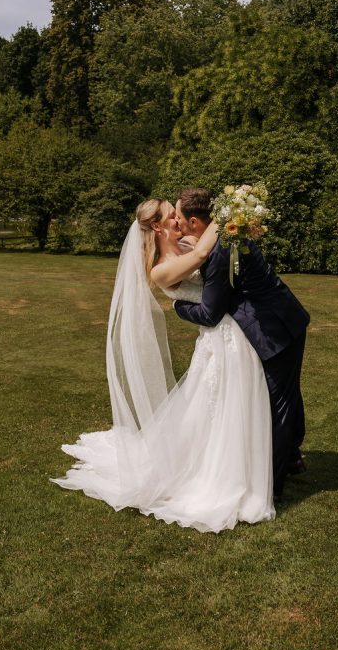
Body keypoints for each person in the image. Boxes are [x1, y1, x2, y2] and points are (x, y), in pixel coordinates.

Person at [51, 198, 275, 533]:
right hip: (218, 338)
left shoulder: (184, 243)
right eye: (173, 216)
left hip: (229, 334)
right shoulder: (159, 268)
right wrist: (226, 217)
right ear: (157, 226)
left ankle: (239, 468)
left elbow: (211, 261)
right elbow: (201, 258)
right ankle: (221, 476)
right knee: (221, 406)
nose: (179, 221)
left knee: (225, 407)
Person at [173, 188, 310, 503]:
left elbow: (209, 313)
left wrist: (178, 308)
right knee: (286, 395)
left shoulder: (221, 249)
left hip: (276, 329)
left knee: (278, 405)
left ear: (194, 221)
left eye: (179, 218)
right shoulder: (225, 232)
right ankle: (292, 458)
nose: (177, 224)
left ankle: (272, 486)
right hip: (283, 320)